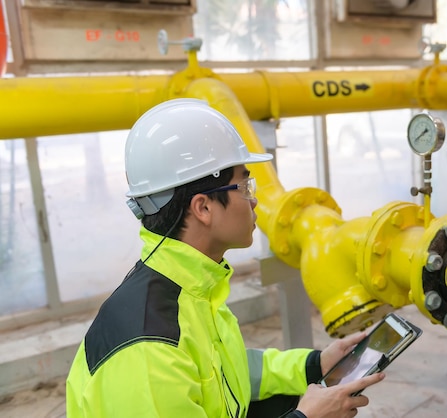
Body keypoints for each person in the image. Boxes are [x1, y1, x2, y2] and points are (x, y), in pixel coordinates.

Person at [65, 98, 384, 418]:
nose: (255, 200)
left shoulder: (189, 287)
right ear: (203, 208)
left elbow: (225, 374)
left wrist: (315, 364)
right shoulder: (151, 348)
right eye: (245, 185)